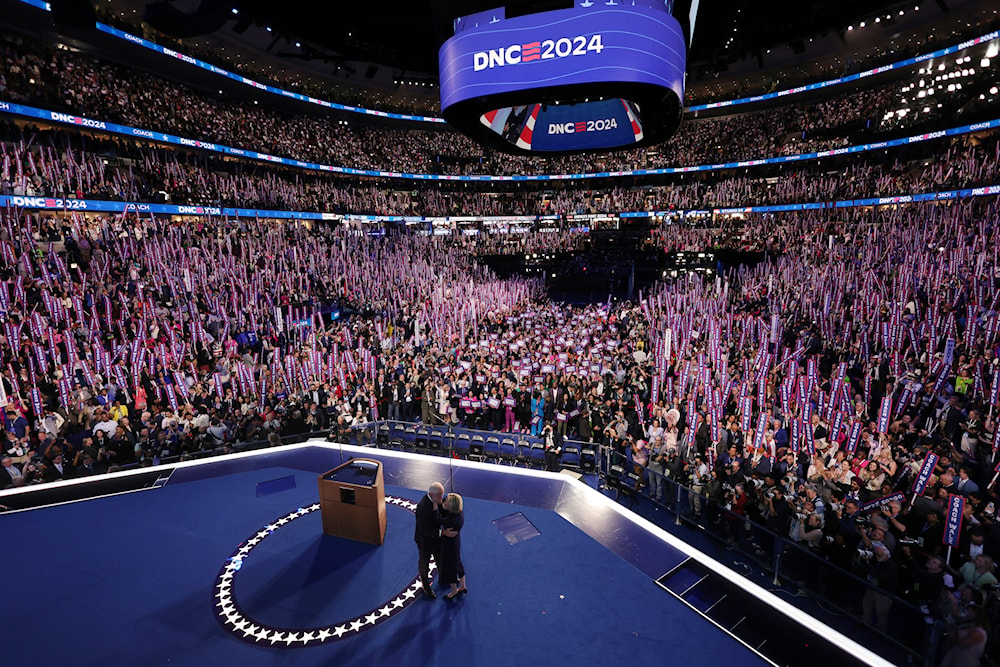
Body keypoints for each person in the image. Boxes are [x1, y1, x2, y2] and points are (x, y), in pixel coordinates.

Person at [415, 481, 445, 599]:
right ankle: (425, 586)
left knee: (440, 558)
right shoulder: (423, 507)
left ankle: (444, 577)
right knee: (425, 563)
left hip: (436, 538)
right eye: (440, 496)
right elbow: (424, 530)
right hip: (425, 540)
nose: (442, 498)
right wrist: (442, 533)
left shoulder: (436, 500)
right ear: (432, 495)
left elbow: (440, 514)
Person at [440, 493, 468, 600]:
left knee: (450, 568)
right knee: (458, 562)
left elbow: (438, 519)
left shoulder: (449, 520)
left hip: (448, 544)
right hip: (456, 542)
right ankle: (462, 585)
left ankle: (454, 591)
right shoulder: (460, 514)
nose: (444, 501)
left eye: (446, 501)